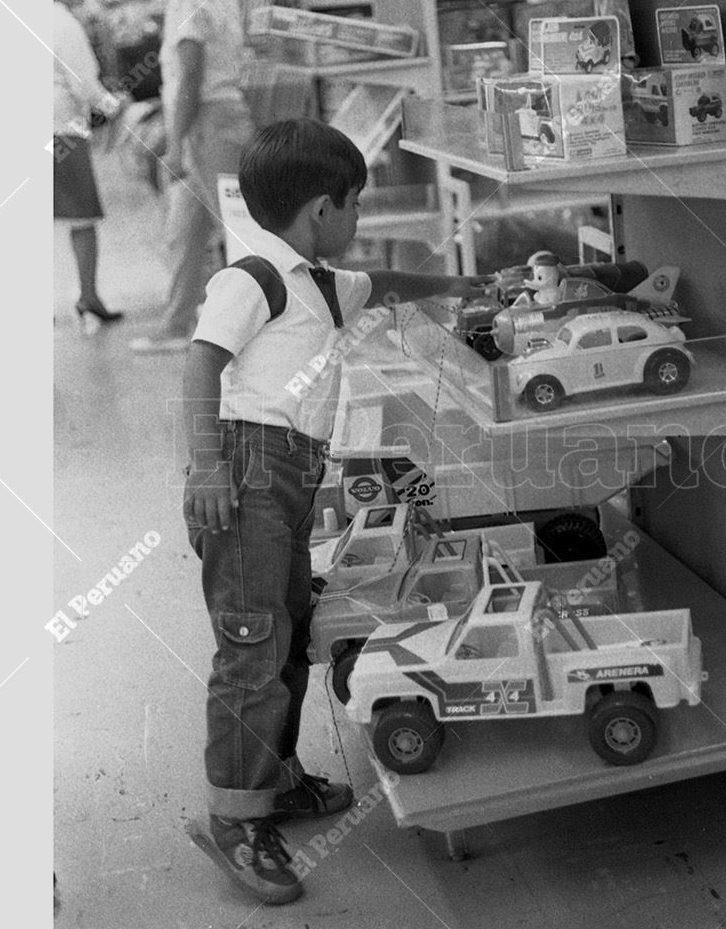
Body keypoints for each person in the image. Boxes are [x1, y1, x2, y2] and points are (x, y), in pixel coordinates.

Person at [179, 119, 490, 904]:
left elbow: (382, 285)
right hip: (246, 474)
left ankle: (274, 783)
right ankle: (235, 820)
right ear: (323, 208)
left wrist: (466, 288)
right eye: (355, 205)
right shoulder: (253, 279)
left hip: (286, 478)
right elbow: (202, 363)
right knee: (251, 645)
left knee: (285, 631)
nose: (359, 222)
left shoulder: (318, 281)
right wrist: (208, 465)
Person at [129, 0, 255, 353]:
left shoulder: (186, 0)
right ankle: (178, 322)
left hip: (208, 123)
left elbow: (189, 76)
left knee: (239, 230)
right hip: (224, 117)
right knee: (185, 230)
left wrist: (177, 142)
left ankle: (258, 320)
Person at [53, 0, 126, 332]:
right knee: (83, 218)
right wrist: (114, 106)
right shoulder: (63, 24)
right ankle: (89, 297)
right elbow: (84, 85)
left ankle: (88, 298)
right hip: (63, 130)